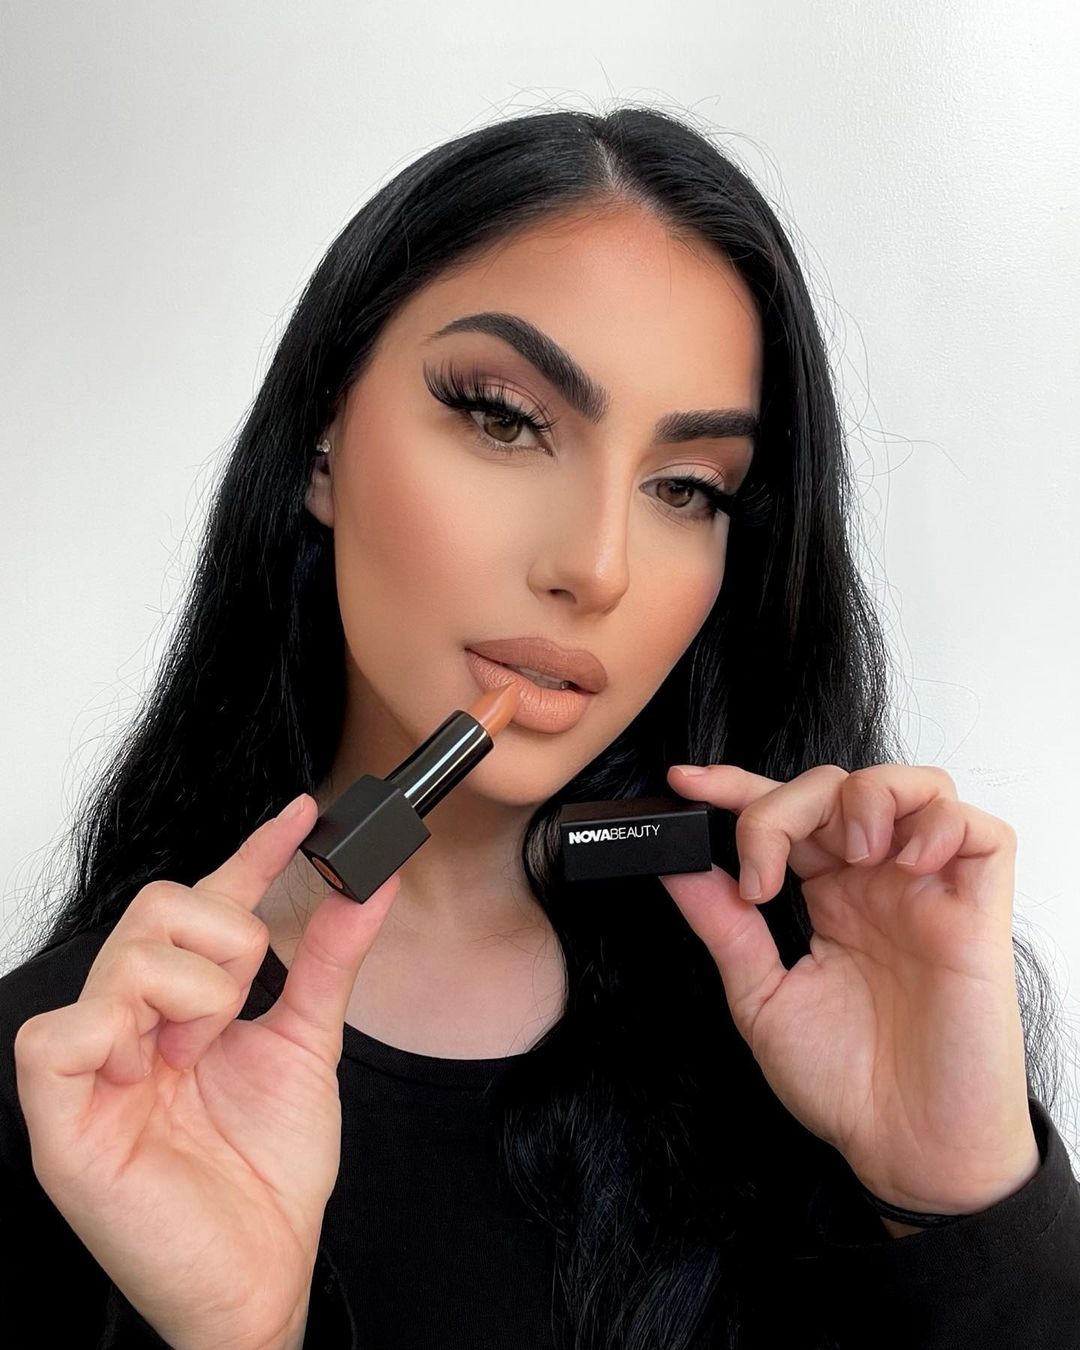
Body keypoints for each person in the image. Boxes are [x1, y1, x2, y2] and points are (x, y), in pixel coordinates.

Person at [1, 105, 1077, 1349]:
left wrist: (962, 1200)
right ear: (323, 443)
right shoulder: (75, 1079)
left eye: (687, 488)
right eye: (505, 419)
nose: (598, 567)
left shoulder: (825, 1017)